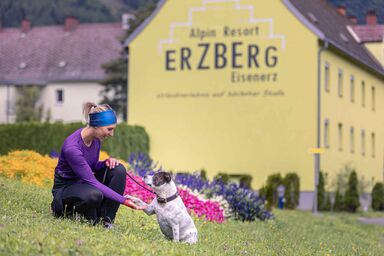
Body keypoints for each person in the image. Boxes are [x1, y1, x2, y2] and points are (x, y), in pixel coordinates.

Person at [51, 102, 145, 227]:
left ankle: (106, 221)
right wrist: (125, 201)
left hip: (85, 183)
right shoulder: (72, 148)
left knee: (118, 169)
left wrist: (105, 163)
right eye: (109, 129)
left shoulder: (96, 140)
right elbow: (91, 181)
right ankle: (63, 210)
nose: (111, 134)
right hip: (67, 188)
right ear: (96, 126)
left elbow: (91, 166)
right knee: (94, 195)